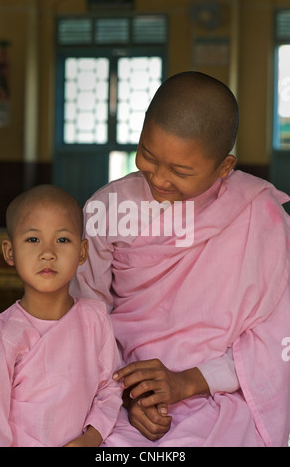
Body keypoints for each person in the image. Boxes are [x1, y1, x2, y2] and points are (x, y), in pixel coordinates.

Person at [70, 71, 290, 447]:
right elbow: (85, 315)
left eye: (181, 171)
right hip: (121, 394)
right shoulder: (107, 207)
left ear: (224, 168)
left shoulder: (261, 216)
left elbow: (275, 336)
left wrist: (187, 382)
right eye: (148, 156)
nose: (159, 179)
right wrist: (127, 393)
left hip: (224, 393)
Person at [0, 185, 122, 447]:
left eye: (62, 240)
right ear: (10, 252)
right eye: (33, 239)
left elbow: (110, 388)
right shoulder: (1, 336)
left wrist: (91, 438)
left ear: (83, 252)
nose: (48, 253)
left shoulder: (95, 319)